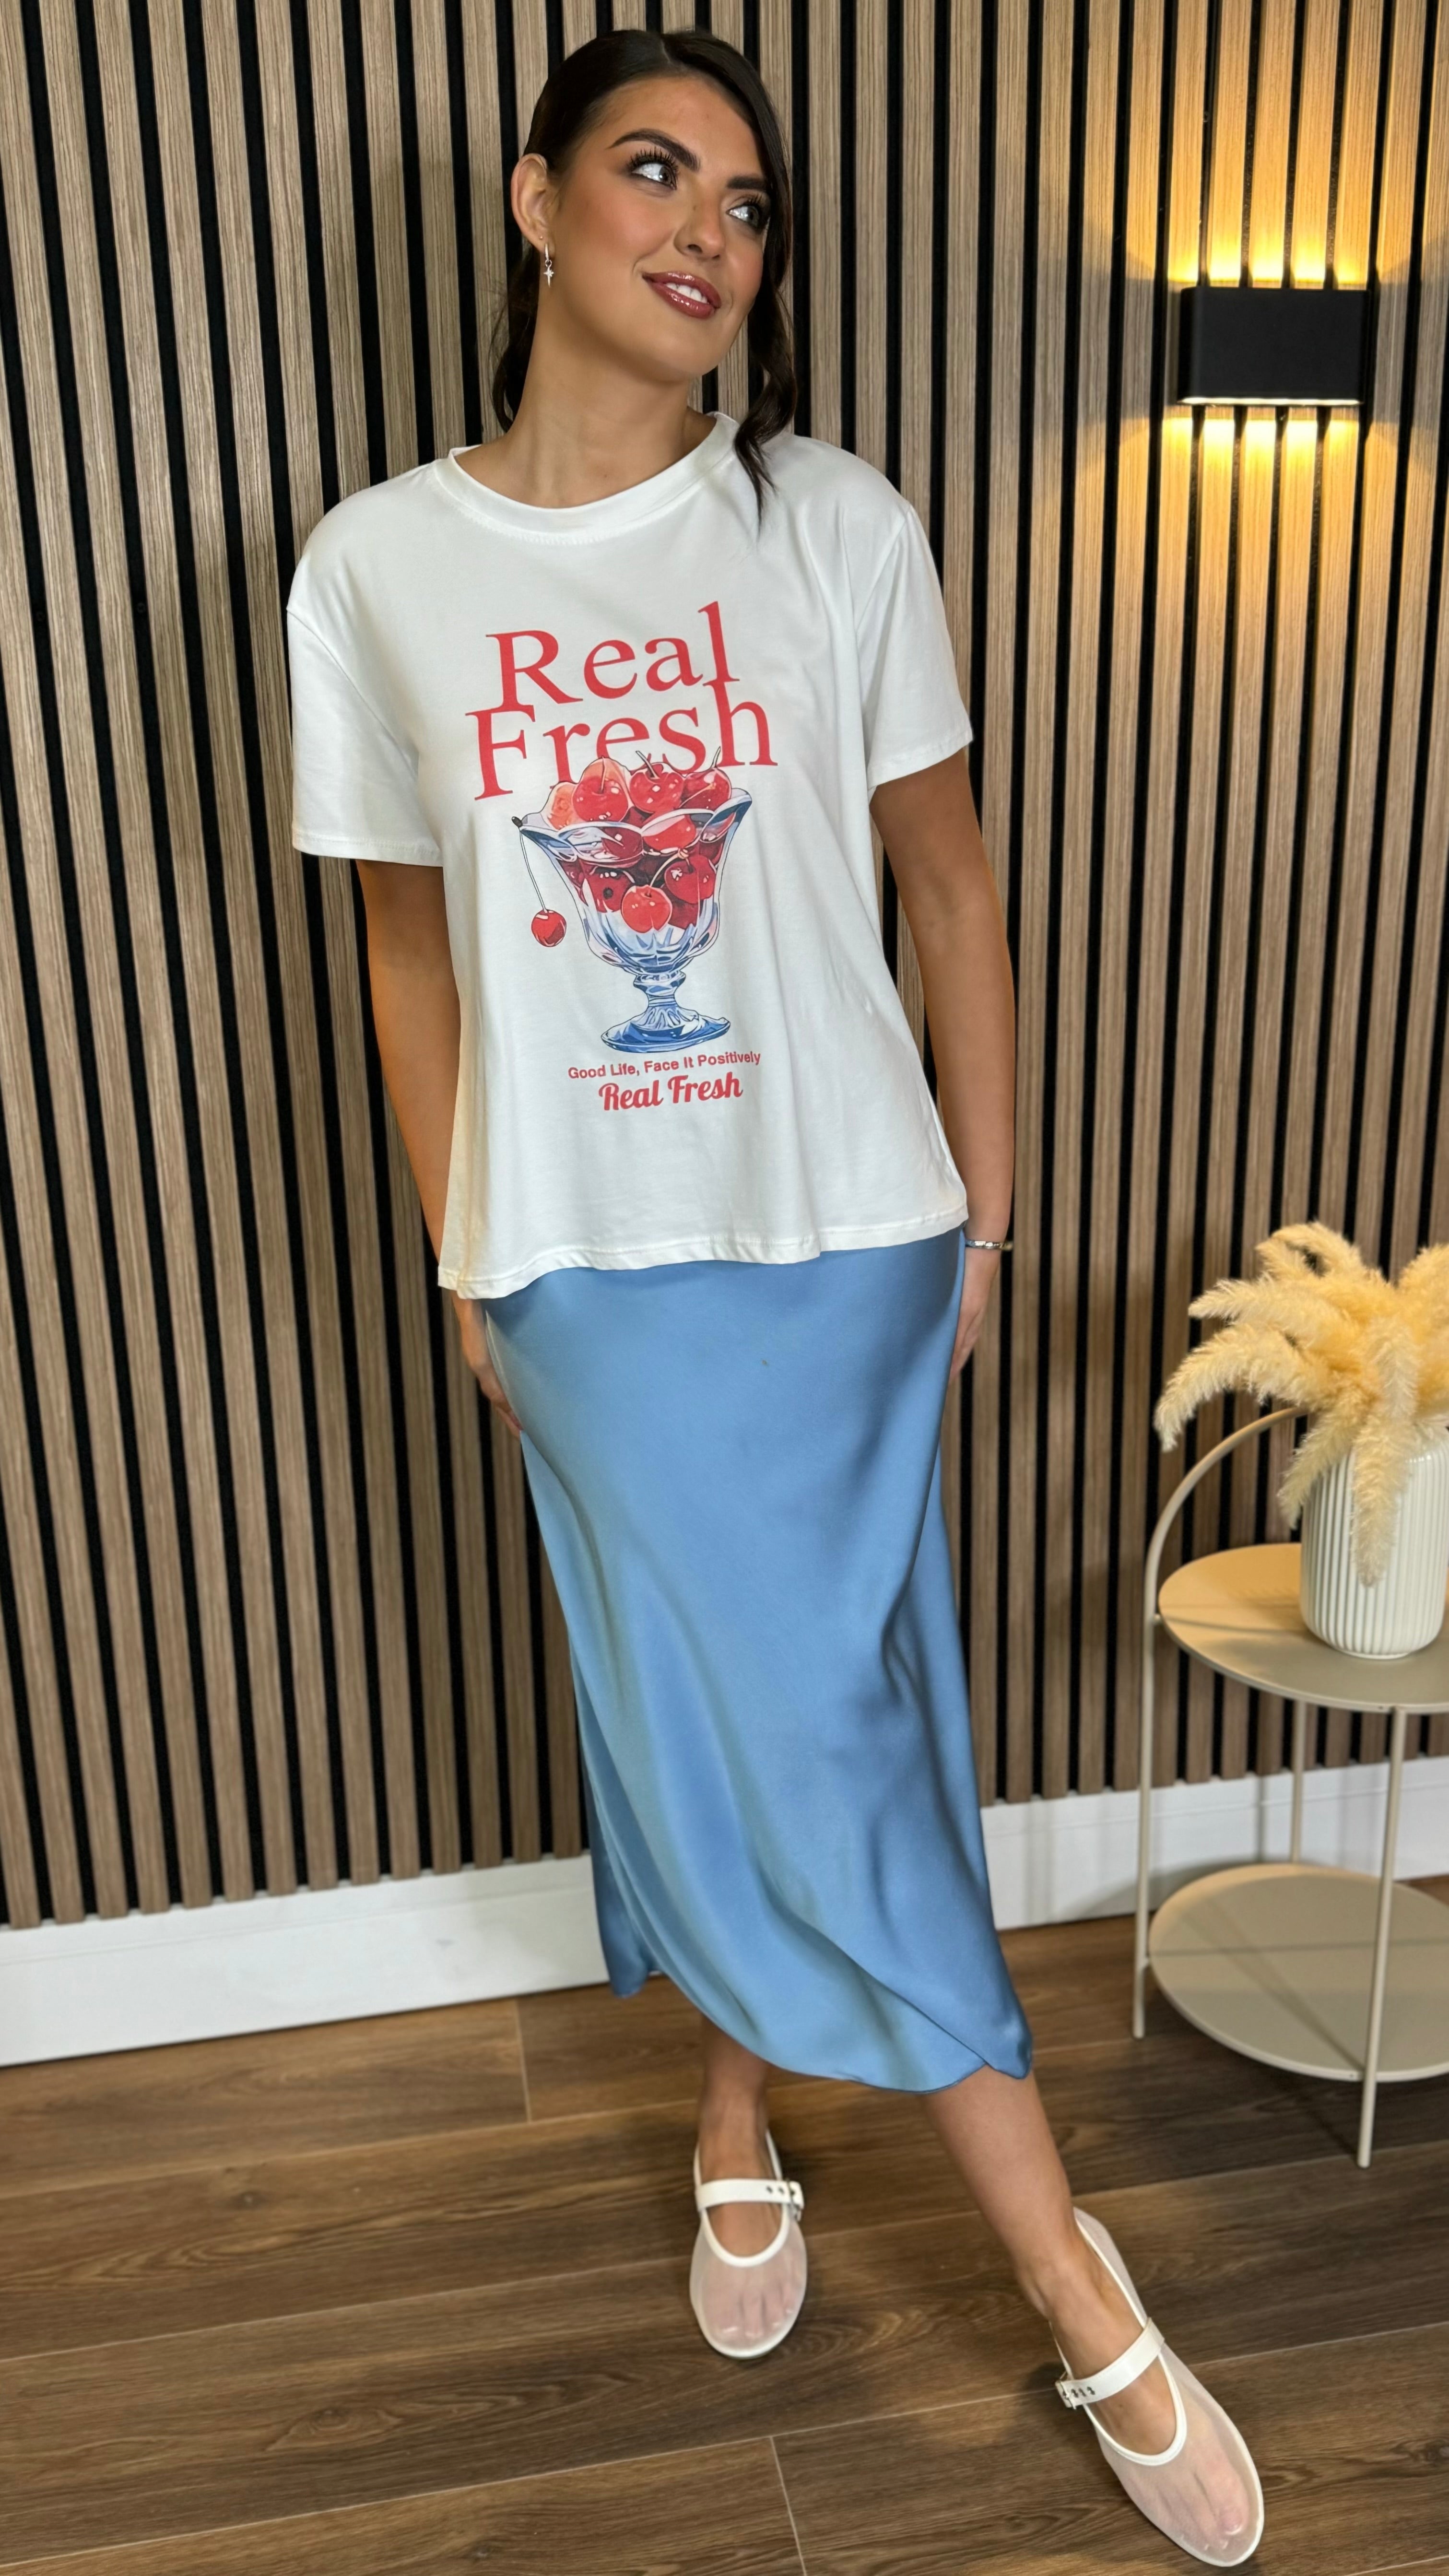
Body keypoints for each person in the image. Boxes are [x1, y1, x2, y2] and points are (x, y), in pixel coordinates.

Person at [286, 28, 1263, 2565]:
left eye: (745, 199)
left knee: (836, 1715)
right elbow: (407, 958)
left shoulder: (833, 525)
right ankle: (1038, 2264)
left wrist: (984, 1213)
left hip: (850, 1237)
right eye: (653, 172)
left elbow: (951, 886)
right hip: (592, 1272)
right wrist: (468, 1247)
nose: (709, 232)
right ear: (536, 202)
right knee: (756, 1722)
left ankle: (842, 2169)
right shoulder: (377, 571)